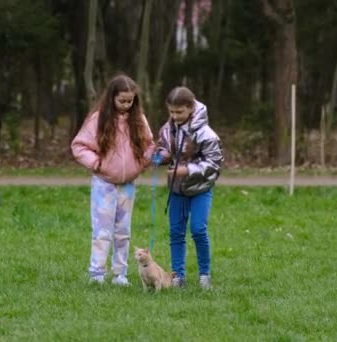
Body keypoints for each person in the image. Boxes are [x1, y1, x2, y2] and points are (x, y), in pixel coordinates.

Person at [71, 74, 155, 286]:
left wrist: (141, 164)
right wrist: (97, 164)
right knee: (102, 231)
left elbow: (149, 146)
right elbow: (79, 146)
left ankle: (120, 274)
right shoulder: (98, 119)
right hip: (103, 184)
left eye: (130, 101)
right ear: (111, 98)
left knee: (123, 231)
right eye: (122, 101)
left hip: (127, 186)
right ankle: (97, 273)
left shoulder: (139, 120)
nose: (126, 105)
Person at [155, 86, 223, 289]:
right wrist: (160, 156)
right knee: (176, 232)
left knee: (198, 229)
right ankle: (178, 276)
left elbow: (214, 164)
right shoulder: (168, 130)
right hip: (177, 190)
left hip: (201, 189)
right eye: (171, 112)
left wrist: (188, 170)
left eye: (179, 112)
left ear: (191, 108)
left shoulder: (206, 134)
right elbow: (163, 148)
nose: (175, 116)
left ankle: (204, 275)